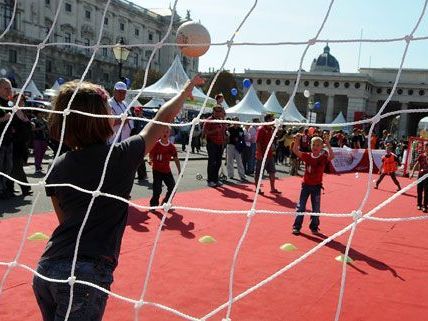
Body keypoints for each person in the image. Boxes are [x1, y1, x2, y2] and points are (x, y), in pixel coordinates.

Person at [32, 75, 204, 321]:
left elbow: (66, 220)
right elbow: (161, 119)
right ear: (102, 119)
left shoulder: (57, 166)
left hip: (47, 268)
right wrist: (186, 91)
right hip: (85, 274)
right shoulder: (121, 156)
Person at [292, 133, 334, 235]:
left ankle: (314, 226)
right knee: (301, 206)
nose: (315, 147)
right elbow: (295, 151)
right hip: (306, 185)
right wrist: (297, 140)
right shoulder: (307, 156)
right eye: (313, 145)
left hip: (316, 187)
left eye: (318, 145)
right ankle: (297, 226)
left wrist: (328, 144)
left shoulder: (323, 158)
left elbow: (332, 156)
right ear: (311, 146)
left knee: (316, 208)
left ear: (321, 146)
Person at [149, 126, 180, 210]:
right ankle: (153, 206)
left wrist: (180, 171)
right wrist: (150, 160)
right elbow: (151, 155)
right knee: (157, 189)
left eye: (167, 132)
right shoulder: (156, 144)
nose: (165, 133)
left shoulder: (172, 147)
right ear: (160, 133)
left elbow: (176, 159)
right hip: (157, 170)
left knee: (172, 187)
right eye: (163, 132)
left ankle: (165, 203)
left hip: (166, 171)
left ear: (169, 134)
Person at [9, 93, 33, 196]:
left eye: (22, 100)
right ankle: (25, 188)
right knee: (16, 166)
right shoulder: (11, 112)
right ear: (13, 101)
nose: (20, 101)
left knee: (13, 167)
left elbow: (27, 128)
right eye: (18, 99)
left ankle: (10, 188)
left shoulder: (24, 113)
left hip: (23, 144)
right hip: (13, 144)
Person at [254, 114, 280, 195]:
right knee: (259, 172)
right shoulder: (261, 129)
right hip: (262, 155)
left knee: (272, 171)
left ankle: (272, 188)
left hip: (269, 154)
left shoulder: (270, 129)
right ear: (268, 120)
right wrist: (259, 153)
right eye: (272, 119)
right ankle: (258, 189)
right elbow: (257, 142)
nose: (273, 121)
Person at [203, 105, 226, 187]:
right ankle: (210, 180)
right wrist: (214, 131)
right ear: (213, 111)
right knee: (212, 162)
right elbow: (205, 132)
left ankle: (216, 179)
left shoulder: (221, 120)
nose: (218, 113)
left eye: (219, 111)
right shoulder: (209, 120)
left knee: (218, 162)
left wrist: (223, 143)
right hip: (211, 143)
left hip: (220, 144)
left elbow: (223, 132)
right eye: (216, 111)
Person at [0, 78, 14, 199]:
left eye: (10, 88)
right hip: (0, 141)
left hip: (8, 141)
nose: (9, 90)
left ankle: (4, 188)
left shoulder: (10, 103)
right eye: (6, 88)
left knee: (8, 167)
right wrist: (3, 119)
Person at [226, 117, 247, 181]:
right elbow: (227, 137)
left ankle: (242, 175)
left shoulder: (240, 129)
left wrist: (239, 141)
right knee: (230, 161)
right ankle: (230, 174)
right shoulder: (229, 129)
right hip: (230, 145)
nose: (235, 123)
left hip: (238, 146)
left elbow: (242, 138)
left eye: (237, 121)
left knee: (239, 161)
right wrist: (232, 138)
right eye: (234, 121)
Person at [410, 143, 428, 212]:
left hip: (427, 176)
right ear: (425, 148)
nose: (427, 149)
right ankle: (419, 204)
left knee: (426, 191)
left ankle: (425, 206)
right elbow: (416, 164)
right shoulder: (421, 156)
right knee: (419, 190)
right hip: (421, 175)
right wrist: (412, 172)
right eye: (426, 147)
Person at [131, 106, 147, 181]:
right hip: (134, 141)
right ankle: (141, 174)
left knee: (140, 158)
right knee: (137, 158)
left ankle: (142, 175)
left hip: (142, 141)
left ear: (142, 111)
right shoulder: (133, 119)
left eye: (138, 111)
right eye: (135, 111)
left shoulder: (145, 120)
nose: (136, 113)